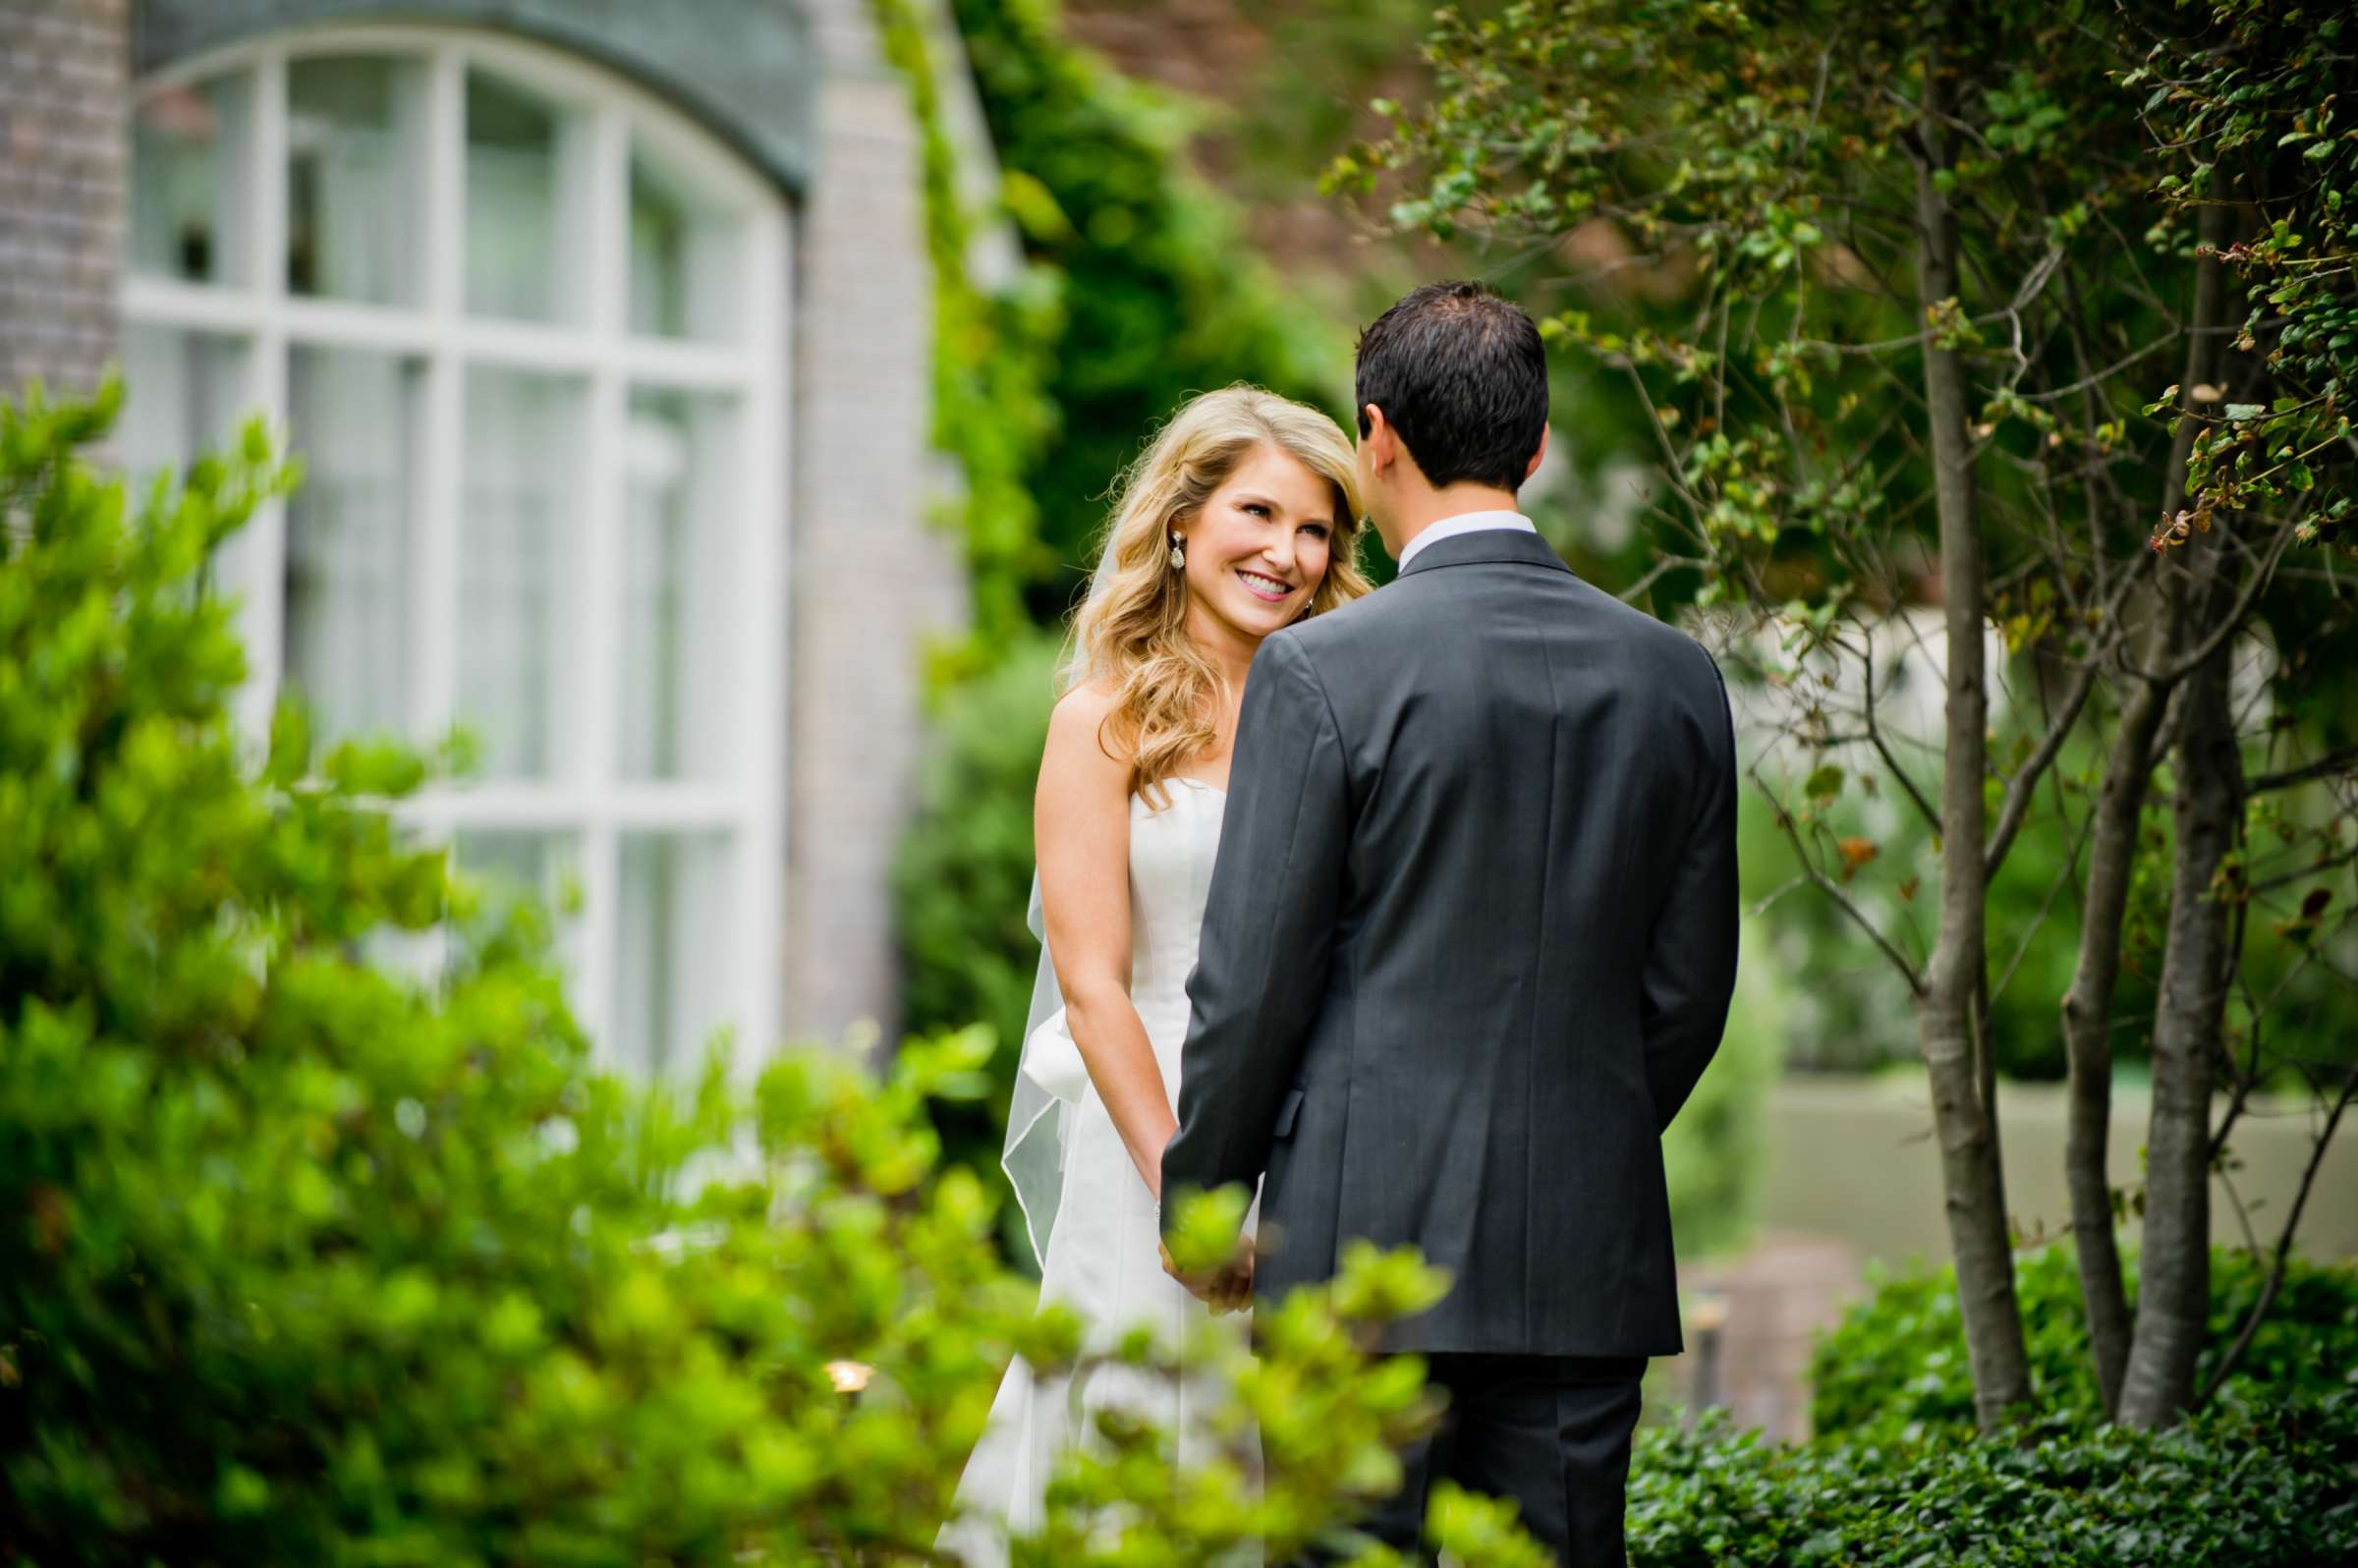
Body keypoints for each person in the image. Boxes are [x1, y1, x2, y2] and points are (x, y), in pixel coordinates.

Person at [1159, 281, 1740, 1566]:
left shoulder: (1322, 670)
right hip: (1584, 1257)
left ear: (1376, 436)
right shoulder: (1676, 675)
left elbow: (1251, 981)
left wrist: (1204, 1199)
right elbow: (1689, 992)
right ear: (1535, 451)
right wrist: (1571, 1124)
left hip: (1359, 1252)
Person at [941, 384, 1376, 1563]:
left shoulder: (1351, 713)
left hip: (1321, 1137)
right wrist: (1191, 1191)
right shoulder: (1101, 725)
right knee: (1136, 1453)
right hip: (1150, 1141)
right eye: (1258, 512)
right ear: (1182, 523)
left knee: (1291, 1475)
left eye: (1316, 529)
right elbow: (1091, 986)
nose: (1286, 553)